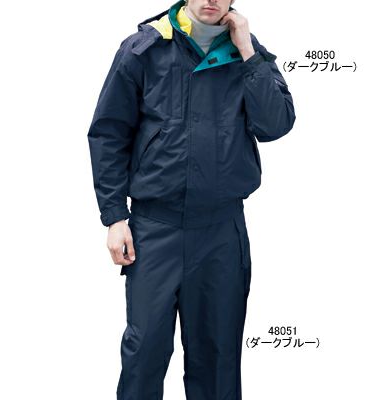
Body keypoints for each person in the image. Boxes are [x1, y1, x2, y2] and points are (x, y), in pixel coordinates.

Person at [87, 0, 296, 398]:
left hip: (222, 232)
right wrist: (114, 216)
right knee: (145, 353)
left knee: (217, 357)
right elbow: (109, 133)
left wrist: (248, 51)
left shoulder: (246, 51)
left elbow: (276, 124)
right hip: (154, 230)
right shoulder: (144, 50)